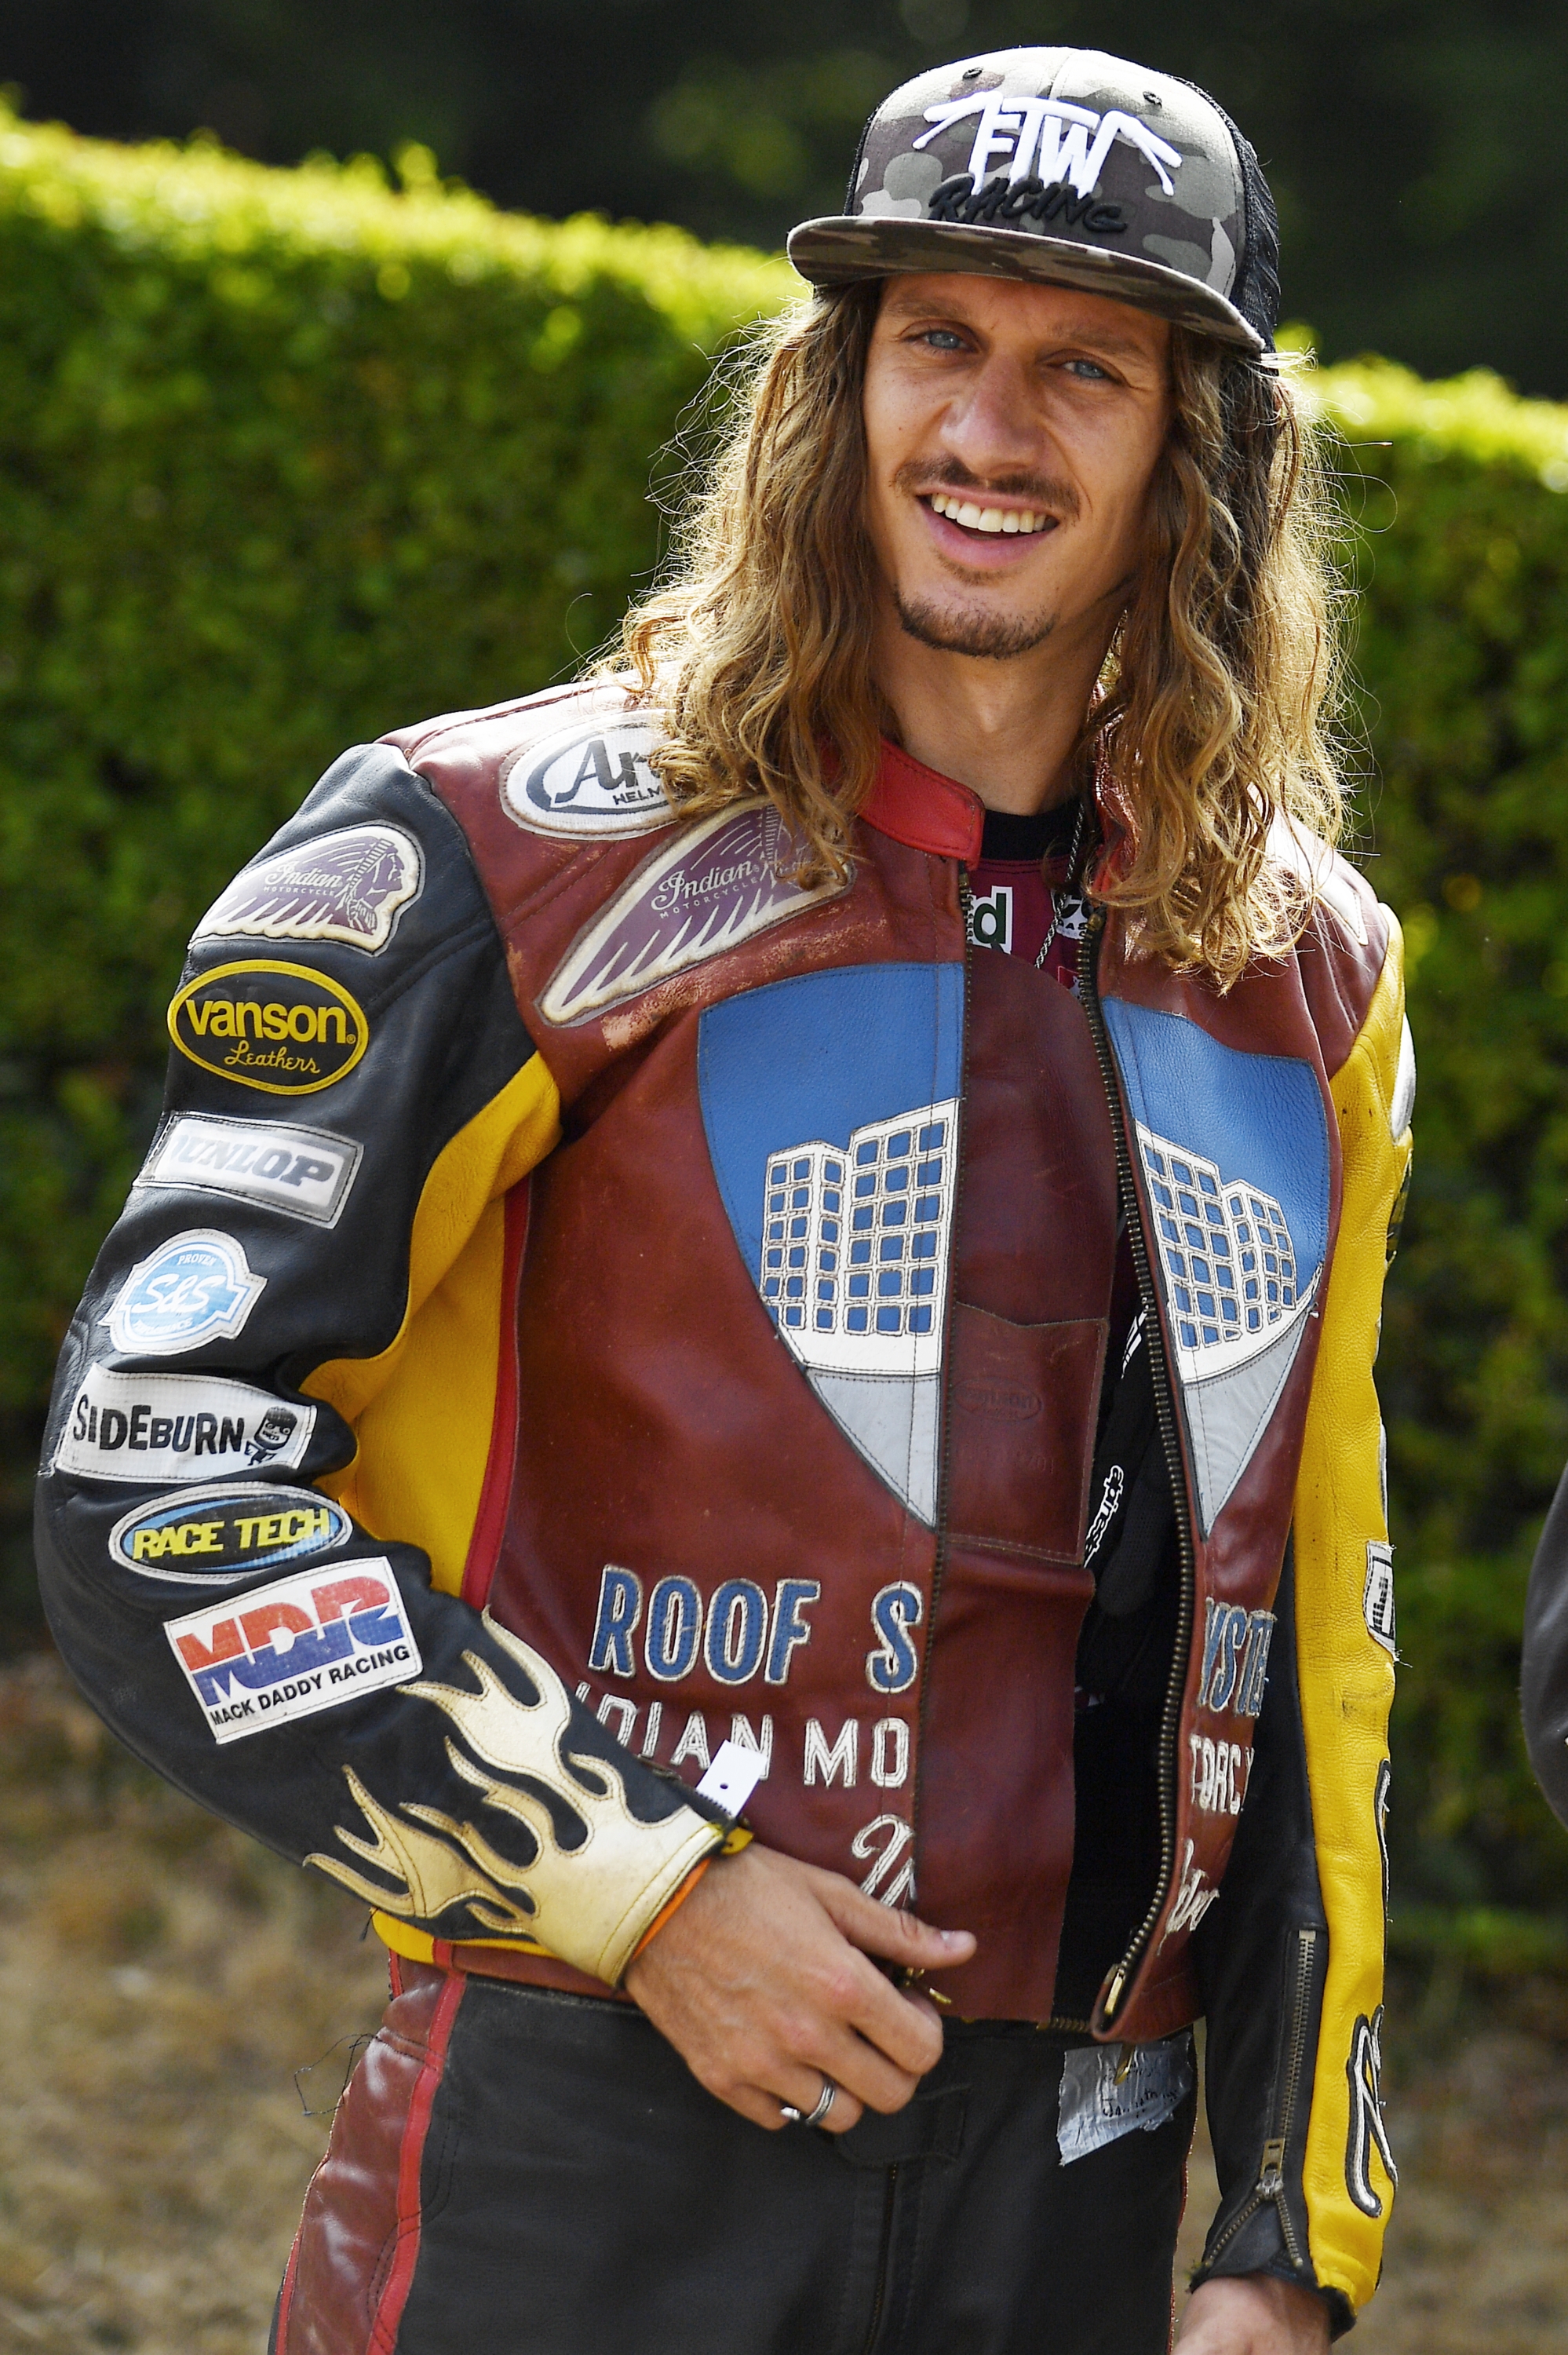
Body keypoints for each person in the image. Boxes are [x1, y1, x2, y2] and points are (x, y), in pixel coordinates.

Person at [35, 43, 1413, 2355]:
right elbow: (150, 1488)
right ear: (831, 385)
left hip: (1071, 2188)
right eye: (937, 339)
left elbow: (1316, 1645)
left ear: (1208, 455)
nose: (991, 430)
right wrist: (646, 1892)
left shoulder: (1312, 976)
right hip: (583, 2119)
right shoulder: (485, 854)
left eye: (1088, 368)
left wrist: (1290, 2233)